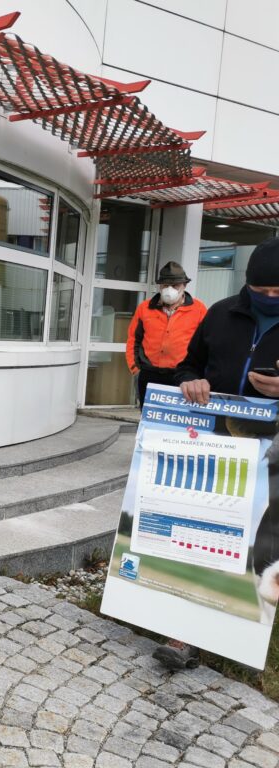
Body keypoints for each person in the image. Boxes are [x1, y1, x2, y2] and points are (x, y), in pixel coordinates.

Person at [154, 237, 279, 670]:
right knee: (205, 534)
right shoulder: (221, 313)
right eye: (263, 291)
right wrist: (190, 380)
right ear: (248, 284)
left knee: (259, 542)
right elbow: (189, 364)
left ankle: (243, 628)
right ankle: (185, 633)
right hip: (215, 444)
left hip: (273, 455)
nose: (270, 299)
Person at [126, 261, 207, 407]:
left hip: (182, 375)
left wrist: (198, 373)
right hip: (149, 373)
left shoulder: (199, 309)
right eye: (165, 286)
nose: (169, 290)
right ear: (160, 286)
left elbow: (205, 343)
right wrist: (135, 369)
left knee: (177, 418)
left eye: (175, 286)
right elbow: (133, 339)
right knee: (149, 416)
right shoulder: (144, 308)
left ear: (184, 286)